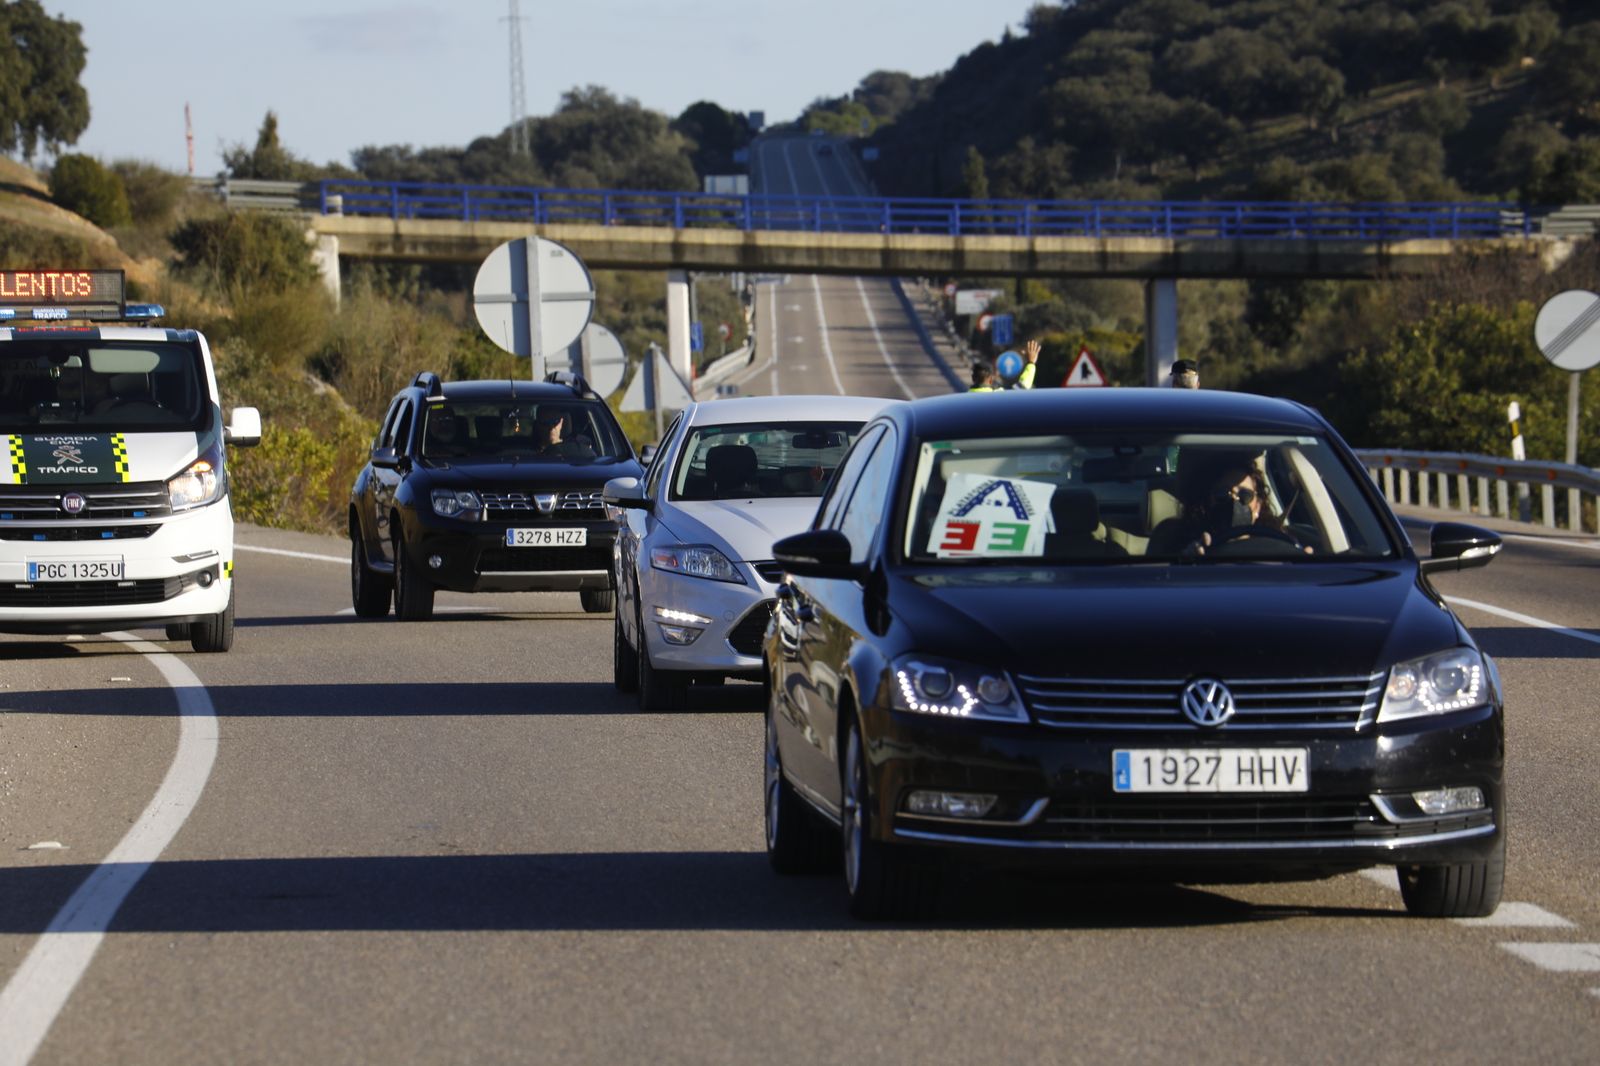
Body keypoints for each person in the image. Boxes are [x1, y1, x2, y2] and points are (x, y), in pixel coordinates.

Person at [1147, 458, 1306, 556]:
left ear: (1257, 506)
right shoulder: (1175, 540)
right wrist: (1187, 562)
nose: (1234, 501)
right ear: (1208, 501)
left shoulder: (1279, 544)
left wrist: (1300, 564)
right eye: (1223, 494)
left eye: (1245, 495)